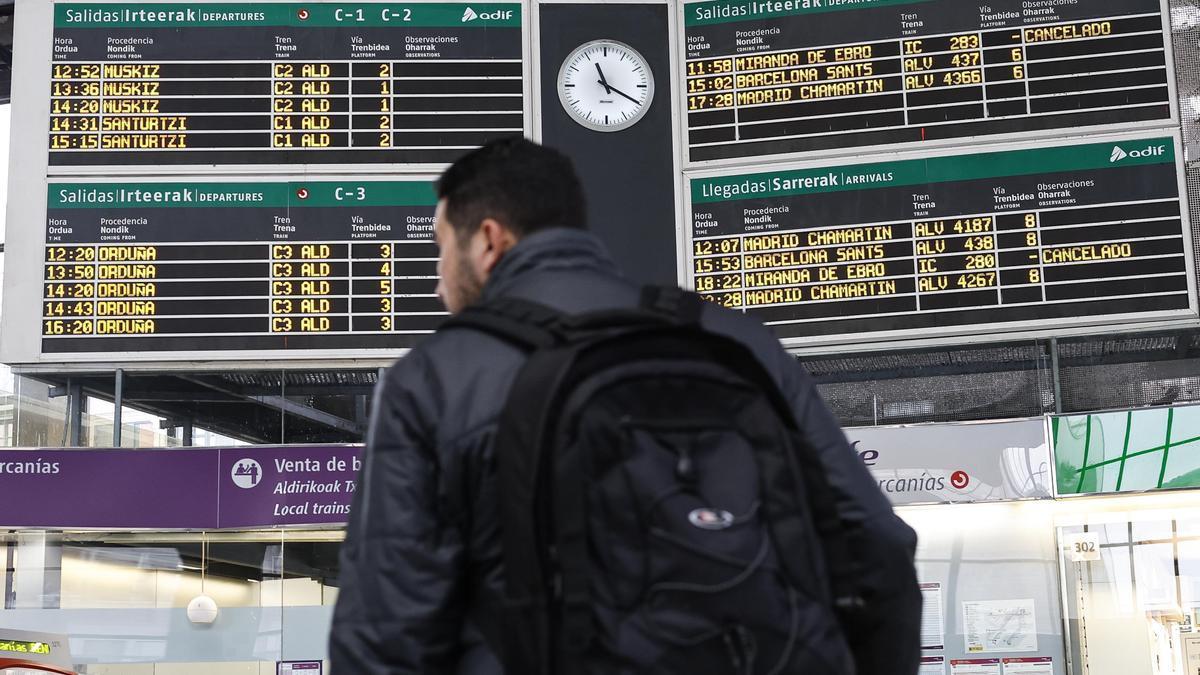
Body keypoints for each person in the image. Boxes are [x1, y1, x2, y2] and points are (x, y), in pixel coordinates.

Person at [328, 137, 921, 674]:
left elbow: (385, 635)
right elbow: (877, 546)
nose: (438, 280)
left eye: (440, 250)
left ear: (488, 240)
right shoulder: (740, 343)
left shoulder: (435, 376)